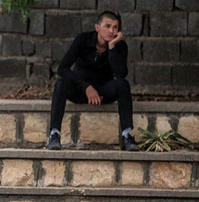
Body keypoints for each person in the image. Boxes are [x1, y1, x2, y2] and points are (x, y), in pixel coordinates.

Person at [47, 10, 139, 151]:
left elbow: (121, 74)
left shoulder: (119, 46)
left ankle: (127, 136)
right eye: (107, 26)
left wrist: (112, 47)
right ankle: (54, 135)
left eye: (115, 27)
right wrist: (86, 87)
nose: (111, 31)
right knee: (61, 83)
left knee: (123, 85)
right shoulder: (83, 40)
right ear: (97, 28)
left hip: (103, 92)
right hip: (80, 90)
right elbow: (62, 68)